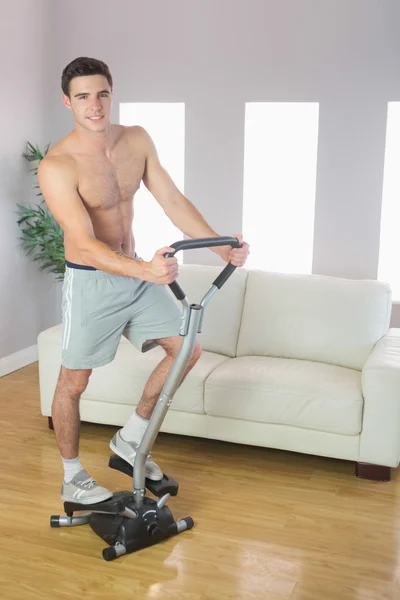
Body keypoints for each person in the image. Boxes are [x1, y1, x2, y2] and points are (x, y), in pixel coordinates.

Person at [38, 57, 250, 505]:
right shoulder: (58, 165)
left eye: (101, 94)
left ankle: (130, 438)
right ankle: (73, 477)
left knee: (186, 349)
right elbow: (85, 242)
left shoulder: (137, 140)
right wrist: (146, 271)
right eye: (82, 97)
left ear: (111, 93)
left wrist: (219, 246)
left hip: (135, 271)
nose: (94, 105)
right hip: (92, 280)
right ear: (67, 102)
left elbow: (172, 199)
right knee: (73, 384)